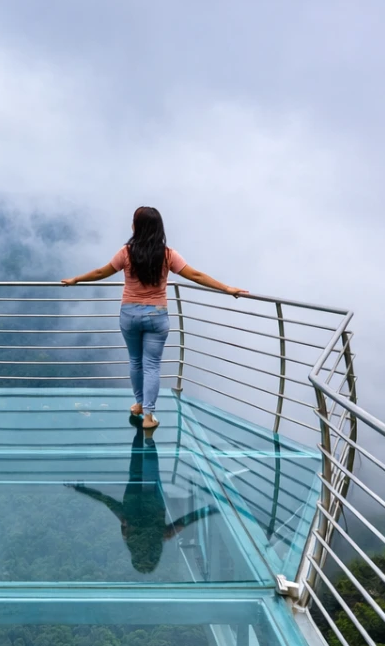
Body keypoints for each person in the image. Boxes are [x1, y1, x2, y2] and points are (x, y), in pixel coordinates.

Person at [61, 206, 248, 430]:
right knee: (151, 366)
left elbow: (102, 272)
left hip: (130, 314)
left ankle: (139, 404)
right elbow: (195, 275)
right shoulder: (168, 254)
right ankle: (149, 416)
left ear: (137, 227)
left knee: (135, 361)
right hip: (157, 316)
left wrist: (76, 279)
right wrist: (226, 288)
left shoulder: (126, 253)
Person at [66, 426, 218, 574]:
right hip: (135, 495)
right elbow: (107, 500)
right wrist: (81, 489)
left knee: (150, 469)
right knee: (137, 466)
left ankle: (147, 436)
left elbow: (187, 519)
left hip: (152, 497)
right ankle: (141, 432)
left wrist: (209, 510)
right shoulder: (129, 533)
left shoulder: (161, 536)